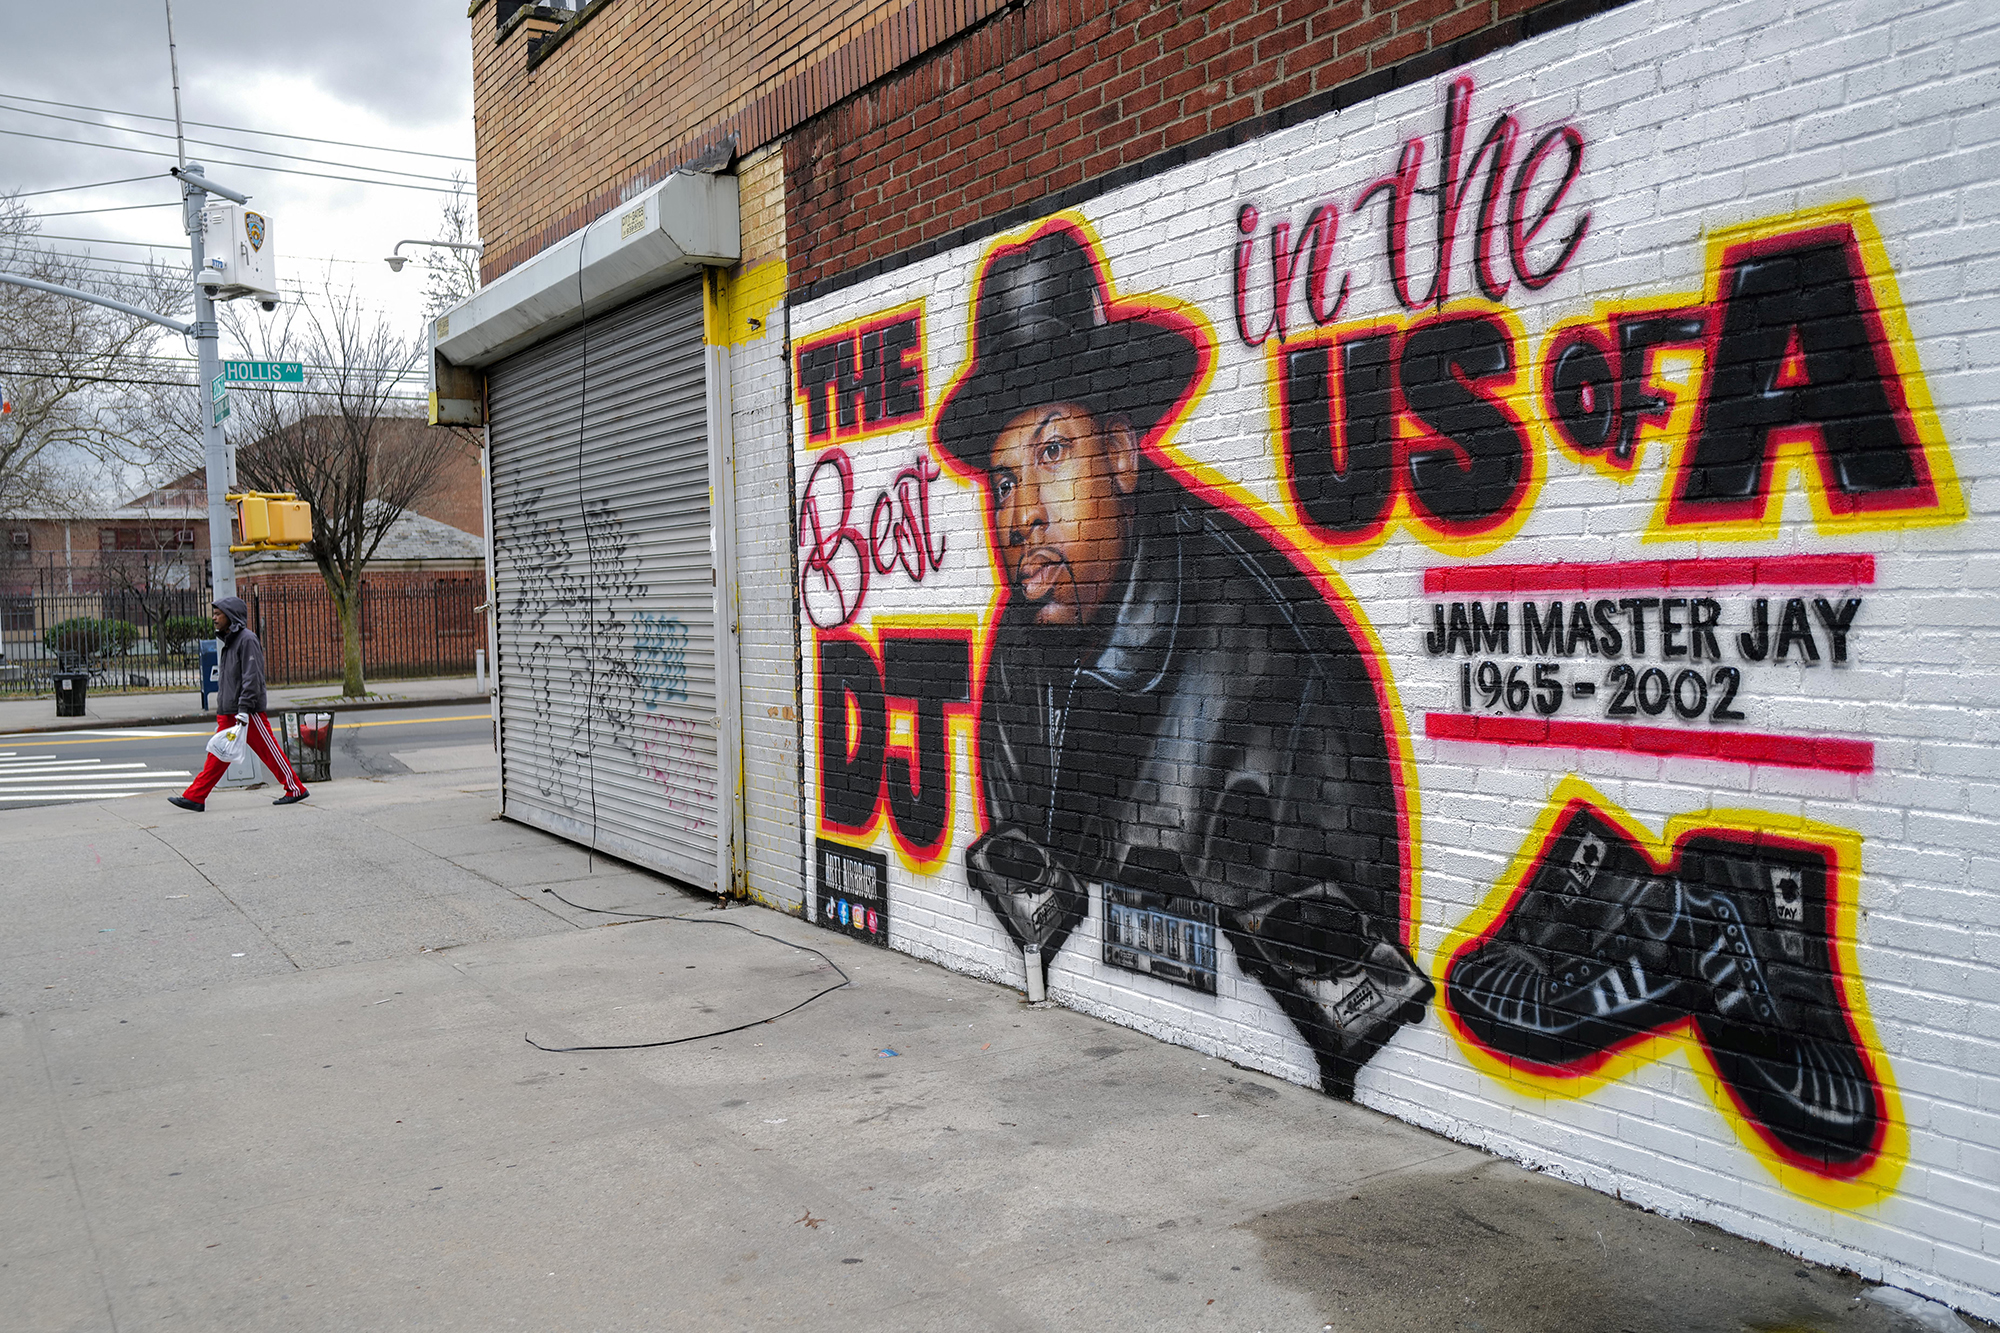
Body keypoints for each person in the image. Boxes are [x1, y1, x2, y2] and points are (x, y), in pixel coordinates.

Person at [933, 223, 1431, 1098]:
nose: (1021, 516)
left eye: (1051, 455)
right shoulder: (1027, 637)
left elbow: (1351, 1005)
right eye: (1005, 480)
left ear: (1123, 453)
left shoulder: (1278, 668)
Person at [169, 596, 309, 811]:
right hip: (230, 712)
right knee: (218, 754)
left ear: (231, 615)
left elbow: (251, 678)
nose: (214, 618)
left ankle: (295, 788)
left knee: (268, 751)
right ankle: (195, 796)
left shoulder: (247, 640)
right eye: (213, 614)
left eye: (218, 614)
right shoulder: (231, 642)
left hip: (246, 711)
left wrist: (243, 710)